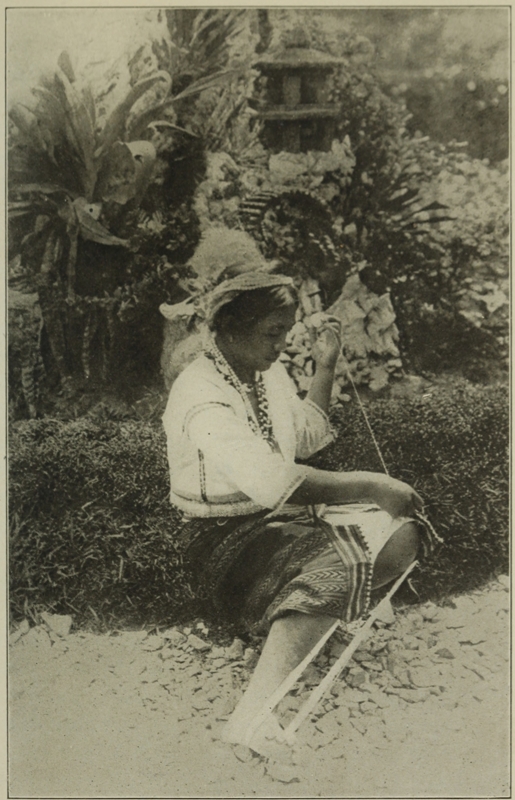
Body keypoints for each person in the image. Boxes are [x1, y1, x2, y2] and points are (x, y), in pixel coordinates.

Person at [162, 266, 441, 759]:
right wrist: (372, 485)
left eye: (286, 332)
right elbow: (271, 482)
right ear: (230, 329)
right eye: (272, 333)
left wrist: (325, 366)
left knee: (403, 534)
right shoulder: (200, 394)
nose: (279, 345)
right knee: (346, 561)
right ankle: (252, 715)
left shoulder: (262, 375)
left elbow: (306, 438)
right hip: (220, 546)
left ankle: (301, 614)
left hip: (275, 523)